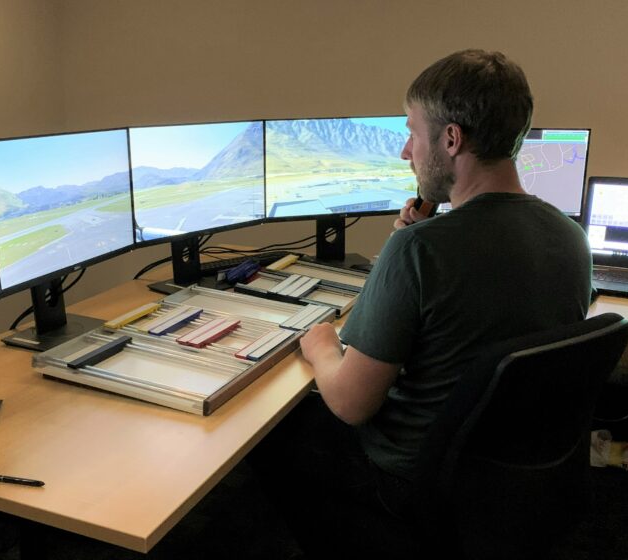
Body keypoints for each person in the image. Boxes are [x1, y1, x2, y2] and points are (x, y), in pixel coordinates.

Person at [248, 49, 592, 558]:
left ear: (451, 139)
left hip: (410, 478)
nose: (405, 152)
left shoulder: (421, 250)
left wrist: (321, 343)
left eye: (412, 133)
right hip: (507, 474)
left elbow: (351, 402)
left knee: (271, 432)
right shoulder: (570, 236)